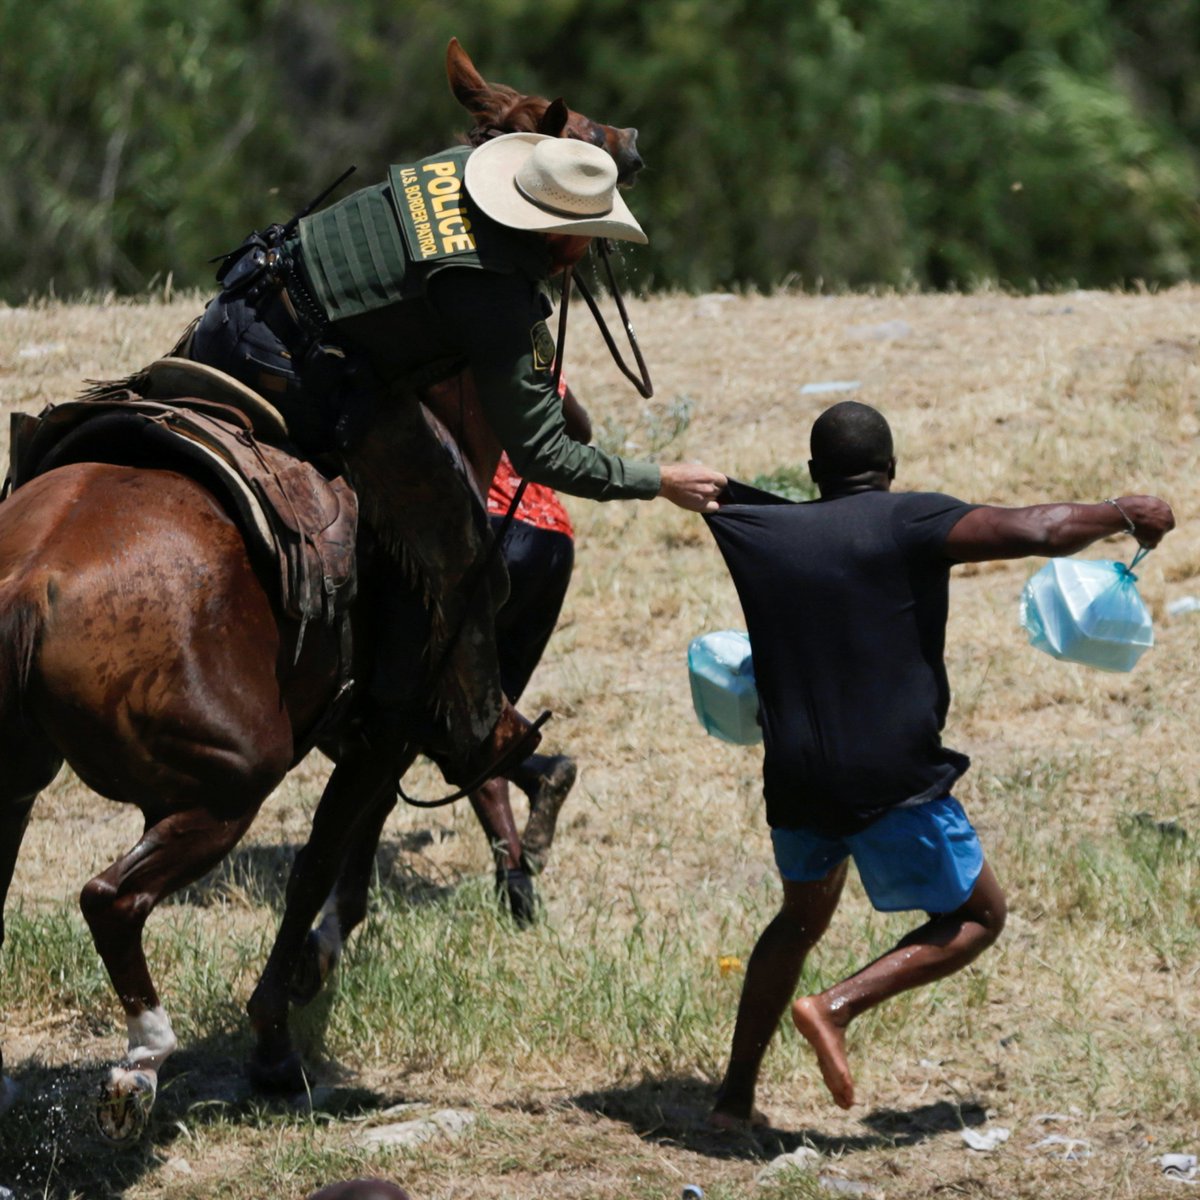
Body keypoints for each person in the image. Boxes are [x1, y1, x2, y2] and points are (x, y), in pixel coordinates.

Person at [182, 132, 726, 786]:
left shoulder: (460, 167)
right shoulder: (500, 300)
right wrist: (659, 480)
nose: (592, 250)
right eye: (592, 235)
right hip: (293, 369)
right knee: (461, 552)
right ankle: (469, 731)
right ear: (563, 237)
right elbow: (544, 451)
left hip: (238, 301)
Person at [703, 400, 1174, 1125]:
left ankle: (734, 1098)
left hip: (795, 774)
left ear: (812, 473)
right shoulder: (908, 520)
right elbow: (1038, 529)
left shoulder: (766, 530)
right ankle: (835, 1007)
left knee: (799, 919)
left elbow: (723, 495)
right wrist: (1120, 510)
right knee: (978, 915)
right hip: (890, 775)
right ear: (889, 472)